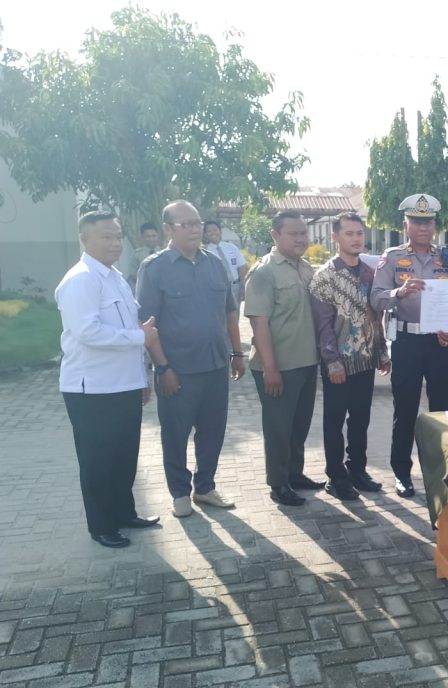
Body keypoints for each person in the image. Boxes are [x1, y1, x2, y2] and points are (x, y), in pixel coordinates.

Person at [55, 212, 161, 548]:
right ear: (84, 238)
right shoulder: (80, 280)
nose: (115, 243)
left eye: (117, 236)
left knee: (124, 456)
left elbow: (127, 329)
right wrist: (140, 338)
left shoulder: (114, 277)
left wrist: (140, 379)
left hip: (123, 384)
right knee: (98, 461)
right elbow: (88, 332)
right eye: (106, 236)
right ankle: (101, 525)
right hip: (92, 389)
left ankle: (124, 513)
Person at [136, 200, 246, 518]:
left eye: (198, 222)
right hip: (177, 371)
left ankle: (205, 487)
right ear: (168, 229)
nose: (196, 229)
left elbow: (230, 312)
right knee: (175, 435)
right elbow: (146, 325)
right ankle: (180, 494)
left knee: (213, 431)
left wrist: (237, 353)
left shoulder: (215, 264)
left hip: (215, 365)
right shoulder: (154, 268)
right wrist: (163, 368)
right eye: (187, 224)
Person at [370, 193, 448, 498]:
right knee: (405, 408)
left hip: (440, 342)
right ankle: (402, 472)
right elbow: (375, 297)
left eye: (428, 222)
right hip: (407, 342)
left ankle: (440, 471)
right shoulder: (392, 257)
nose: (423, 227)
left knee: (442, 409)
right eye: (417, 222)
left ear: (434, 225)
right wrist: (398, 292)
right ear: (406, 225)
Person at [310, 213, 391, 502]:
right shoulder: (325, 277)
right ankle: (336, 477)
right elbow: (323, 325)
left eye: (359, 233)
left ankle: (357, 470)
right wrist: (332, 362)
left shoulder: (371, 274)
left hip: (365, 359)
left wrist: (382, 352)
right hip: (339, 363)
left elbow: (376, 317)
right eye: (349, 233)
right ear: (335, 237)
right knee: (334, 421)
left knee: (360, 418)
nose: (356, 238)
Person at [245, 211, 324, 506]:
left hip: (306, 361)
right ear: (275, 235)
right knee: (279, 428)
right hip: (278, 365)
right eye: (293, 233)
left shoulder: (306, 268)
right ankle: (278, 484)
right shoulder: (264, 272)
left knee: (299, 425)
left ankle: (295, 474)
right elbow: (259, 323)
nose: (301, 238)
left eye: (303, 233)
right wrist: (270, 368)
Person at [204, 220, 248, 306]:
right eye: (209, 231)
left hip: (236, 287)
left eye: (215, 230)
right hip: (219, 290)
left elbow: (241, 266)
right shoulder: (205, 252)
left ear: (220, 231)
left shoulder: (231, 247)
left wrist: (243, 286)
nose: (213, 233)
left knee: (236, 312)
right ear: (205, 234)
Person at [120, 222, 162, 293]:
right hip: (144, 289)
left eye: (154, 236)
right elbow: (133, 275)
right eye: (148, 236)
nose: (151, 239)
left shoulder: (164, 253)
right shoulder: (137, 255)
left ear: (158, 236)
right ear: (142, 237)